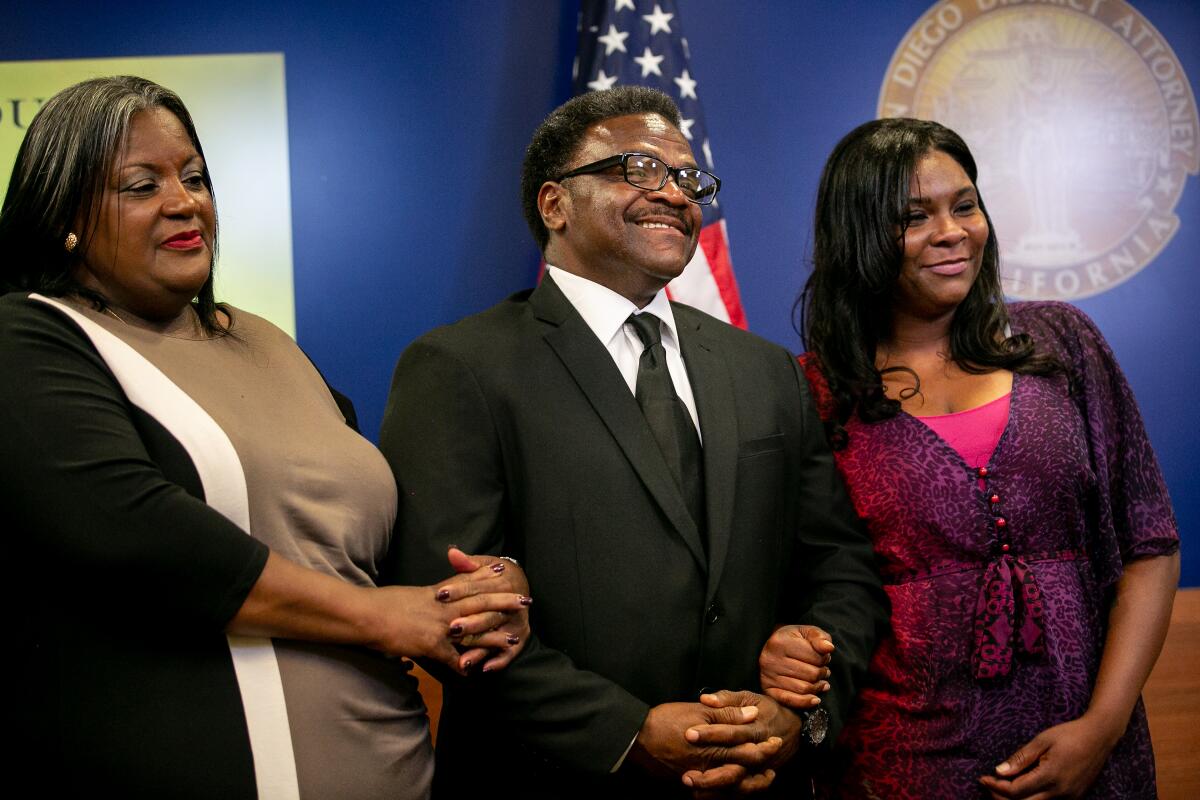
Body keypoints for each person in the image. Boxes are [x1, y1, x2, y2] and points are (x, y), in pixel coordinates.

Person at [0, 76, 532, 799]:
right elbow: (134, 531)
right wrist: (385, 618)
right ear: (63, 214)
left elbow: (362, 541)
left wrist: (477, 592)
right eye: (139, 185)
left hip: (397, 763)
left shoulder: (263, 340)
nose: (184, 201)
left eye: (193, 177)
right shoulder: (30, 336)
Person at [378, 86, 888, 799]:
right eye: (640, 170)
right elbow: (452, 615)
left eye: (687, 178)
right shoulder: (460, 369)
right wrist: (628, 732)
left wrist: (798, 710)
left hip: (754, 776)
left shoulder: (765, 370)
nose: (676, 195)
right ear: (555, 205)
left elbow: (842, 566)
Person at [760, 117, 1180, 799]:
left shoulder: (1062, 342)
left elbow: (1150, 546)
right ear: (860, 237)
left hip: (1092, 755)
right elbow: (800, 584)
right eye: (914, 217)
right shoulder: (812, 392)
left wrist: (1102, 728)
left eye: (965, 205)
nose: (953, 231)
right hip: (905, 764)